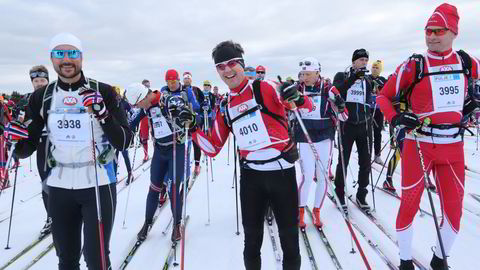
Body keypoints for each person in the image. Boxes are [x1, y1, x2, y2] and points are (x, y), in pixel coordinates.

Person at [178, 40, 313, 270]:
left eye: (231, 63)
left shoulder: (265, 88)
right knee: (251, 242)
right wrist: (191, 128)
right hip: (252, 179)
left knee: (289, 240)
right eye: (220, 67)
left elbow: (305, 106)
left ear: (241, 63)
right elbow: (212, 148)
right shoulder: (225, 105)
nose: (227, 70)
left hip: (282, 173)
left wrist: (298, 98)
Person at [9, 32, 133, 270]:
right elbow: (26, 149)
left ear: (81, 57)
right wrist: (14, 140)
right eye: (59, 54)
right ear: (52, 58)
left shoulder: (105, 91)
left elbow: (124, 141)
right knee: (66, 260)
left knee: (97, 260)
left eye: (72, 53)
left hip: (98, 185)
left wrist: (104, 115)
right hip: (59, 186)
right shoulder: (42, 97)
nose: (66, 59)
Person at [377, 4, 480, 269]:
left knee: (454, 213)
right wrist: (397, 118)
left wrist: (473, 102)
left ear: (453, 32)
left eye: (438, 30)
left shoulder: (467, 63)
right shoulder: (415, 64)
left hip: (453, 147)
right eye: (428, 31)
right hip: (419, 144)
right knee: (409, 204)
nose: (432, 36)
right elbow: (383, 97)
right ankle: (404, 260)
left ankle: (439, 257)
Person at [132, 69, 199, 242]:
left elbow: (193, 118)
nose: (139, 108)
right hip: (160, 150)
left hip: (176, 148)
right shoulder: (147, 103)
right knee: (154, 187)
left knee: (174, 189)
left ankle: (177, 224)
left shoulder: (169, 99)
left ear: (143, 97)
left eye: (139, 104)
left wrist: (188, 118)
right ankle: (147, 223)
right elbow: (133, 121)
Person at [295, 57, 346, 229]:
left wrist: (339, 105)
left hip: (324, 136)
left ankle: (317, 211)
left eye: (308, 74)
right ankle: (300, 211)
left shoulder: (328, 88)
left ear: (318, 72)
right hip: (305, 136)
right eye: (303, 74)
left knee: (323, 175)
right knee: (307, 175)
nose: (305, 77)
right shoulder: (298, 88)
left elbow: (344, 116)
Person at [332, 48, 374, 213]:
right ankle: (339, 192)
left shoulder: (367, 80)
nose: (364, 62)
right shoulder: (342, 75)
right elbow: (336, 92)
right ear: (353, 61)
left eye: (366, 60)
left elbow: (368, 101)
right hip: (346, 125)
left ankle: (362, 193)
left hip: (364, 125)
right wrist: (353, 78)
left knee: (365, 161)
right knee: (344, 159)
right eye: (361, 59)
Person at [25, 65, 53, 235]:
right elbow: (27, 124)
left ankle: (68, 216)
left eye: (42, 80)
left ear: (48, 81)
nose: (39, 83)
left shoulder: (56, 96)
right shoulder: (29, 100)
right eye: (36, 81)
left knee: (63, 183)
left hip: (59, 144)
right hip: (42, 145)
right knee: (45, 184)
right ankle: (51, 218)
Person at [182, 71, 202, 179]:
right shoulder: (180, 89)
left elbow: (202, 102)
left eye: (188, 78)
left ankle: (197, 164)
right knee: (183, 143)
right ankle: (184, 164)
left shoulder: (196, 89)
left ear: (191, 79)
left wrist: (203, 108)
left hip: (194, 118)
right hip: (183, 120)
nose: (187, 79)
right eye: (185, 78)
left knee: (195, 142)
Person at [112, 86, 134, 185]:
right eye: (114, 94)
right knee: (114, 156)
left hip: (123, 132)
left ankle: (130, 174)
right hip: (114, 132)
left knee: (125, 154)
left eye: (117, 94)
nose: (116, 97)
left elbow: (133, 113)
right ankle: (114, 176)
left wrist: (129, 123)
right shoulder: (110, 104)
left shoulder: (124, 103)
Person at [369, 60, 388, 164]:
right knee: (367, 133)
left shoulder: (383, 80)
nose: (374, 69)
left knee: (377, 133)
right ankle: (366, 153)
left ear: (380, 70)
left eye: (377, 68)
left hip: (378, 110)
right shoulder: (367, 78)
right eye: (373, 67)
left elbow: (386, 92)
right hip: (368, 109)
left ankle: (377, 155)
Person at [139, 79, 151, 162]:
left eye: (148, 85)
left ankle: (158, 153)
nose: (147, 87)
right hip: (143, 118)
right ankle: (146, 154)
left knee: (155, 136)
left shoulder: (152, 93)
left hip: (151, 117)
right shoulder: (139, 94)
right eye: (145, 86)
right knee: (144, 138)